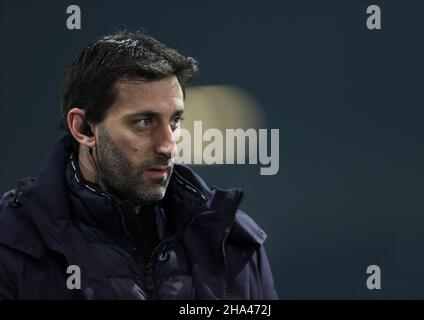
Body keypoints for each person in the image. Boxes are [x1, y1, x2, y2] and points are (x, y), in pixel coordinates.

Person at [0, 31, 277, 300]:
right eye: (144, 122)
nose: (168, 146)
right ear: (83, 128)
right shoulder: (12, 242)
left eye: (175, 121)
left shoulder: (232, 241)